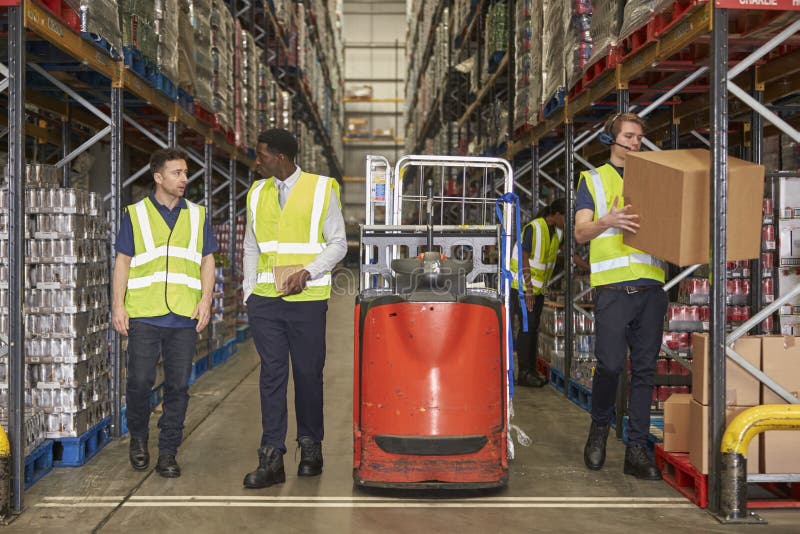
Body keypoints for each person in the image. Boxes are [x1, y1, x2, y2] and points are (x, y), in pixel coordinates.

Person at [241, 128, 346, 489]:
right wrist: (248, 293)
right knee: (272, 375)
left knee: (307, 374)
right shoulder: (257, 192)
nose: (257, 162)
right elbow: (251, 245)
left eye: (262, 155)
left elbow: (338, 244)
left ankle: (310, 448)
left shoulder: (321, 189)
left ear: (281, 157)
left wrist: (308, 271)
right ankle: (271, 457)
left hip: (307, 301)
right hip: (266, 301)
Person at [112, 147, 217, 478]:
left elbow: (207, 260)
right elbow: (123, 262)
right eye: (177, 173)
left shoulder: (197, 216)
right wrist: (117, 305)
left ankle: (168, 452)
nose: (184, 178)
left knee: (178, 386)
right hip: (144, 312)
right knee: (140, 382)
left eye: (186, 173)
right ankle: (139, 439)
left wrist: (206, 300)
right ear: (158, 177)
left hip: (183, 316)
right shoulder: (137, 214)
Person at [574, 112, 668, 480]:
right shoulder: (593, 181)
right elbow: (581, 234)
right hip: (613, 291)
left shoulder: (656, 181)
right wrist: (607, 222)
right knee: (611, 365)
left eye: (639, 137)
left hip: (651, 289)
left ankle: (637, 449)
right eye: (628, 136)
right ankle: (598, 430)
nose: (635, 142)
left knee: (645, 371)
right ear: (610, 140)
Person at [510, 198, 566, 388]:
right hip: (524, 288)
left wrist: (588, 267)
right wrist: (529, 290)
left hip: (538, 289)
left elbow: (567, 255)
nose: (567, 222)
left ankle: (531, 370)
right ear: (557, 214)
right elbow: (524, 257)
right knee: (527, 329)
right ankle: (523, 374)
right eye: (566, 217)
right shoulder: (535, 228)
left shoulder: (556, 233)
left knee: (533, 329)